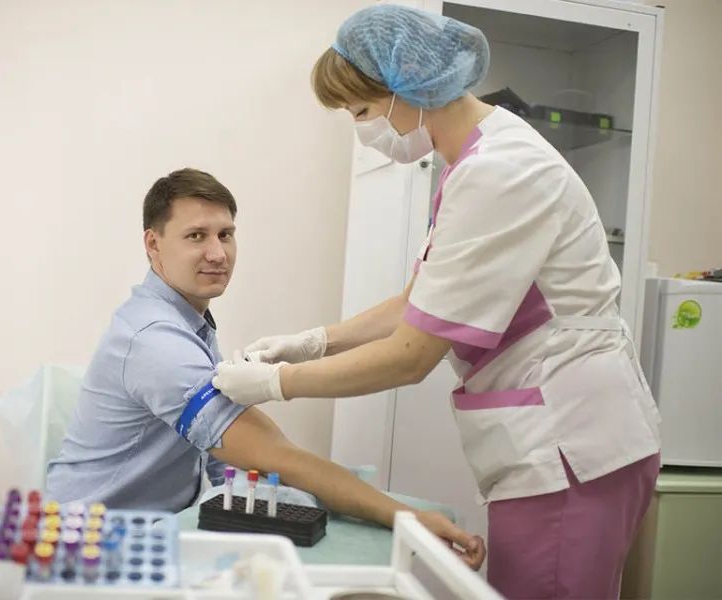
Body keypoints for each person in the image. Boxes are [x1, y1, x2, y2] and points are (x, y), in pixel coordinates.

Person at [211, 5, 661, 599]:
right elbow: (419, 302)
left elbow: (411, 355)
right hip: (561, 442)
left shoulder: (500, 171)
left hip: (571, 445)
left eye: (362, 111)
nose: (363, 130)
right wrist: (314, 341)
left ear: (409, 88)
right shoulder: (475, 161)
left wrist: (277, 383)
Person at [44, 167, 486, 570]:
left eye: (226, 234)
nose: (217, 253)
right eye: (196, 236)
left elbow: (225, 457)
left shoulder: (185, 318)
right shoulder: (155, 342)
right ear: (153, 244)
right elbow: (273, 454)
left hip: (150, 527)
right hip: (91, 552)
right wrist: (405, 517)